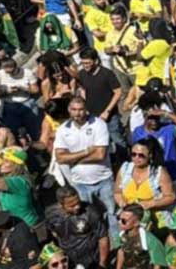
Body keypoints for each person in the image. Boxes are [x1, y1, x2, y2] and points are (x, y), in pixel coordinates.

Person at [52, 97, 118, 238]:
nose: (78, 113)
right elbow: (59, 158)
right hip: (79, 182)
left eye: (81, 109)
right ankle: (94, 242)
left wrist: (74, 160)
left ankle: (116, 244)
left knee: (111, 214)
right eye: (74, 110)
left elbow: (100, 154)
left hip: (103, 178)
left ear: (86, 109)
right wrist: (86, 151)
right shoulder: (63, 130)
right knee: (86, 217)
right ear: (69, 110)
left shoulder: (99, 124)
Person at [44, 187, 109, 269]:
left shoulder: (91, 212)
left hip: (91, 260)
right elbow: (53, 233)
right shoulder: (51, 214)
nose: (77, 207)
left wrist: (102, 263)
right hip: (68, 261)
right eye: (72, 206)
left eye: (78, 202)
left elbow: (103, 237)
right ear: (61, 205)